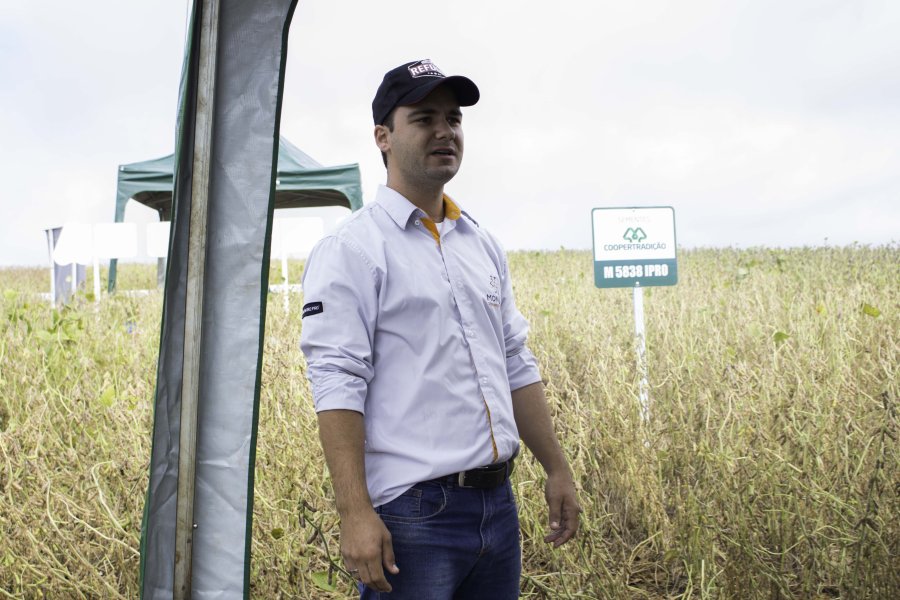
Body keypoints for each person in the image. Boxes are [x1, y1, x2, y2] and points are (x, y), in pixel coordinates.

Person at [299, 59, 580, 599]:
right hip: (413, 515)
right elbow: (337, 381)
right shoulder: (352, 249)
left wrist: (556, 468)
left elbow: (514, 360)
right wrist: (355, 512)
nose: (445, 131)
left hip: (497, 507)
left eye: (453, 118)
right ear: (383, 137)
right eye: (424, 119)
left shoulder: (479, 243)